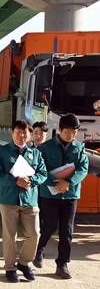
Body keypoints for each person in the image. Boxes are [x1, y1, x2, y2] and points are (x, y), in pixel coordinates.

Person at [0, 120, 47, 283]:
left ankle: (24, 262)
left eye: (25, 132)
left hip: (30, 199)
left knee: (35, 234)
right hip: (8, 199)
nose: (22, 135)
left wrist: (32, 180)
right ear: (12, 132)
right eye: (18, 132)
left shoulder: (35, 153)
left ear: (29, 134)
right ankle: (10, 268)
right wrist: (14, 180)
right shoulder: (1, 152)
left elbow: (43, 173)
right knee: (10, 235)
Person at [34, 114, 89, 279]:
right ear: (59, 130)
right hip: (49, 194)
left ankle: (62, 264)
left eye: (74, 132)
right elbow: (39, 168)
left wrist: (69, 182)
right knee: (49, 226)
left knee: (67, 230)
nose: (70, 135)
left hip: (70, 195)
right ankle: (39, 249)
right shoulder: (45, 147)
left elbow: (83, 168)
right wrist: (54, 182)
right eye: (67, 131)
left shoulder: (79, 148)